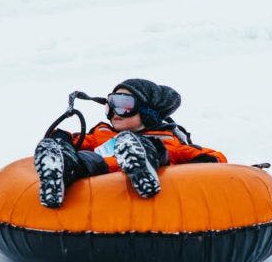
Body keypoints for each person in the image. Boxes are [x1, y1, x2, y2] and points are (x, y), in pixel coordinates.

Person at [33, 78, 227, 208]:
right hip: (96, 169)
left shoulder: (165, 138)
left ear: (147, 112)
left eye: (124, 105)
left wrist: (193, 171)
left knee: (152, 148)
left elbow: (213, 157)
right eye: (111, 104)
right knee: (79, 156)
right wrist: (59, 141)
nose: (115, 112)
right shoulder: (101, 134)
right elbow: (72, 138)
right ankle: (59, 171)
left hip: (147, 160)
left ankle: (139, 163)